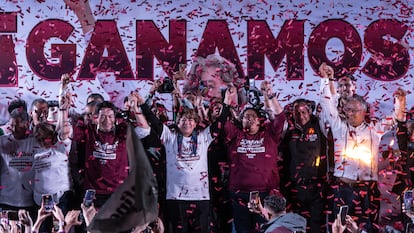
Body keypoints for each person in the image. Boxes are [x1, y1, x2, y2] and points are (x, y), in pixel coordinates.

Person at [319, 68, 406, 232]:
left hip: (367, 189)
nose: (350, 113)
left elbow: (396, 118)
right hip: (342, 188)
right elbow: (326, 103)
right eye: (347, 110)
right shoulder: (339, 127)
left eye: (354, 110)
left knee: (367, 228)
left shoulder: (374, 129)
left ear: (364, 111)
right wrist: (326, 80)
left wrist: (400, 102)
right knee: (339, 228)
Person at [137, 87, 228, 233]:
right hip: (175, 196)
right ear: (177, 123)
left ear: (196, 123)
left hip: (201, 196)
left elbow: (220, 122)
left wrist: (227, 103)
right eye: (184, 120)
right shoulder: (169, 137)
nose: (187, 123)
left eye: (191, 120)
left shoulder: (203, 137)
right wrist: (142, 104)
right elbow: (154, 122)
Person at [220, 83, 286, 233]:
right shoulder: (235, 136)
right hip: (239, 194)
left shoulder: (270, 135)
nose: (248, 119)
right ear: (241, 120)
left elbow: (280, 117)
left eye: (252, 116)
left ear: (259, 121)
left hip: (266, 194)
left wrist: (270, 95)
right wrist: (227, 100)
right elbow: (222, 121)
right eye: (245, 116)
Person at [73, 96, 151, 208]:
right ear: (96, 118)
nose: (107, 121)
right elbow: (66, 135)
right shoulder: (88, 131)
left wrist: (135, 109)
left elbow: (145, 131)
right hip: (93, 193)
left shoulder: (123, 131)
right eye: (103, 117)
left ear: (114, 118)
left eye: (110, 116)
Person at [32, 74, 74, 232]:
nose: (45, 142)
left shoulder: (62, 144)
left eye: (48, 139)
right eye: (42, 140)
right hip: (40, 198)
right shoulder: (32, 143)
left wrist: (63, 91)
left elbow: (63, 124)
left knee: (62, 229)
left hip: (61, 196)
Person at [280, 98, 327, 233]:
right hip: (295, 186)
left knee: (316, 224)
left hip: (317, 185)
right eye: (297, 113)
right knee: (297, 224)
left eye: (303, 112)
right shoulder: (288, 129)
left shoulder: (319, 124)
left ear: (309, 111)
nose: (301, 116)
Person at [0, 108, 37, 219]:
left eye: (17, 126)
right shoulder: (2, 141)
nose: (14, 129)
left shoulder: (36, 141)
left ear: (27, 124)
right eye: (11, 125)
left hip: (29, 202)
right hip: (6, 201)